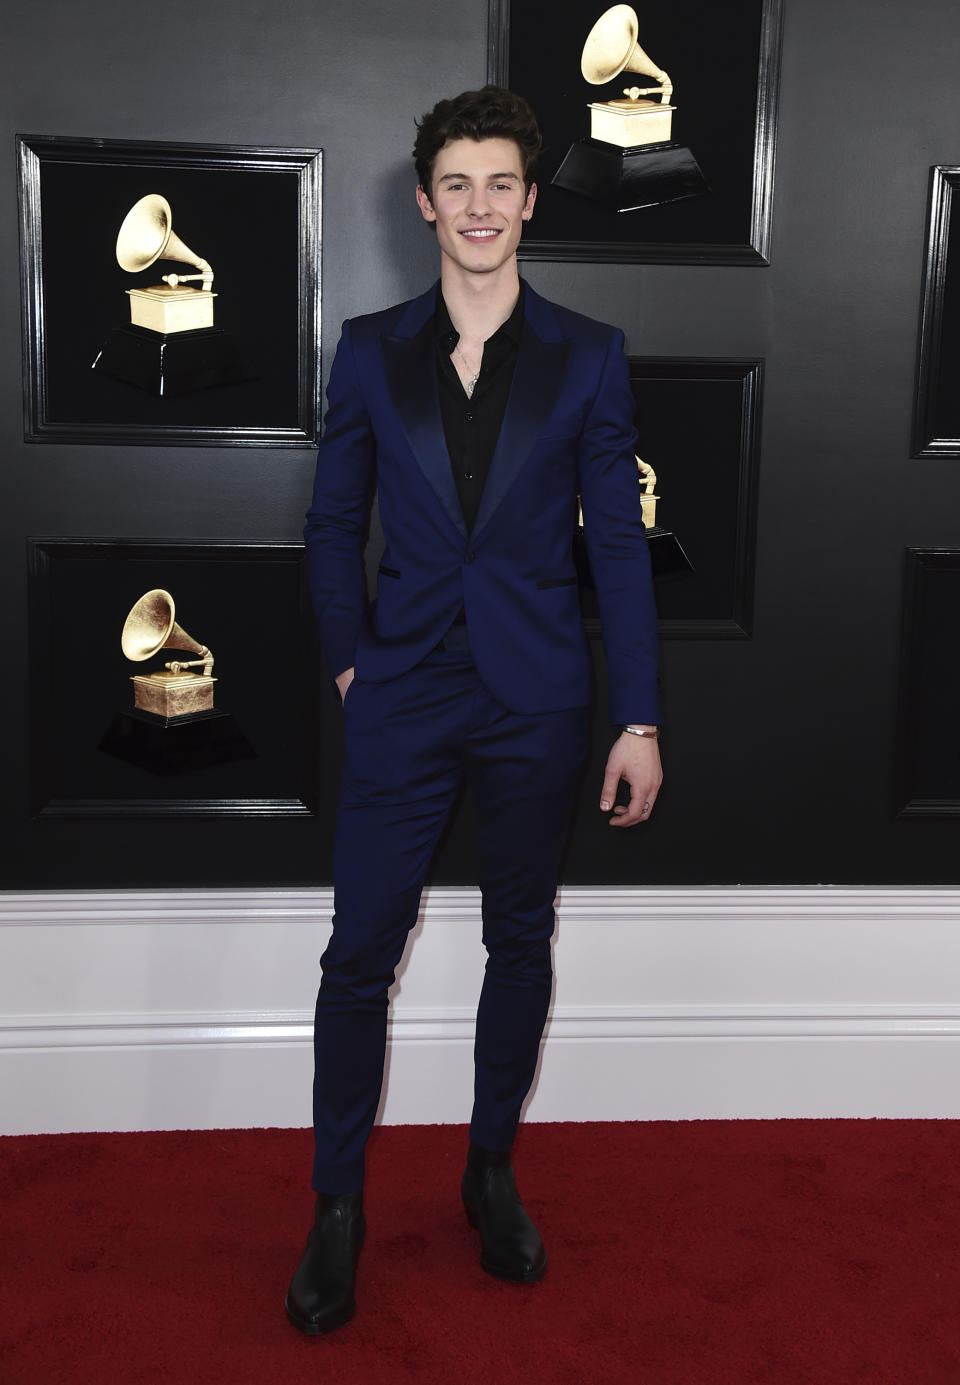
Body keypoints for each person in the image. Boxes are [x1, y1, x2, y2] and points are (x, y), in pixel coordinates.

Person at [286, 85, 662, 1335]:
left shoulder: (589, 354)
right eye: (459, 185)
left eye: (501, 183)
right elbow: (335, 524)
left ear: (530, 200)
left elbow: (619, 549)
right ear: (425, 203)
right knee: (357, 954)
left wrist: (638, 718)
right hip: (400, 688)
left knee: (521, 936)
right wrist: (351, 663)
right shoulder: (368, 347)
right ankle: (336, 1202)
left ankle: (488, 1165)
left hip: (538, 697)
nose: (480, 205)